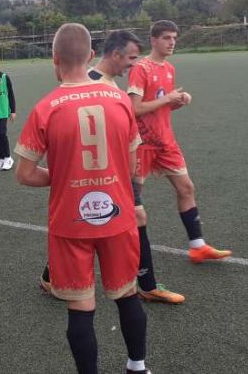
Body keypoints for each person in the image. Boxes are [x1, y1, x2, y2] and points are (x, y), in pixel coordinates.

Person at [15, 23, 149, 374]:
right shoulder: (120, 99)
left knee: (81, 307)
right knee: (127, 295)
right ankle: (137, 366)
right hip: (118, 217)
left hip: (71, 222)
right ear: (90, 56)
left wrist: (63, 176)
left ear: (54, 58)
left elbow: (25, 174)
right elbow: (132, 165)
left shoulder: (46, 107)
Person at [41, 30, 185, 305]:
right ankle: (147, 285)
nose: (133, 64)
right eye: (131, 58)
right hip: (102, 173)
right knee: (126, 218)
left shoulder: (108, 84)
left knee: (89, 223)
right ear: (115, 55)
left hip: (111, 169)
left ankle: (50, 276)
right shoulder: (94, 83)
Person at [128, 20, 232, 263]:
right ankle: (122, 248)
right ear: (153, 40)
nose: (172, 42)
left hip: (165, 142)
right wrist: (168, 99)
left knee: (186, 188)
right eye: (166, 37)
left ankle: (198, 246)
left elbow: (160, 105)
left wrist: (178, 101)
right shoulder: (141, 68)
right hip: (142, 144)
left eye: (174, 38)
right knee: (132, 200)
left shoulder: (169, 68)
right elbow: (134, 109)